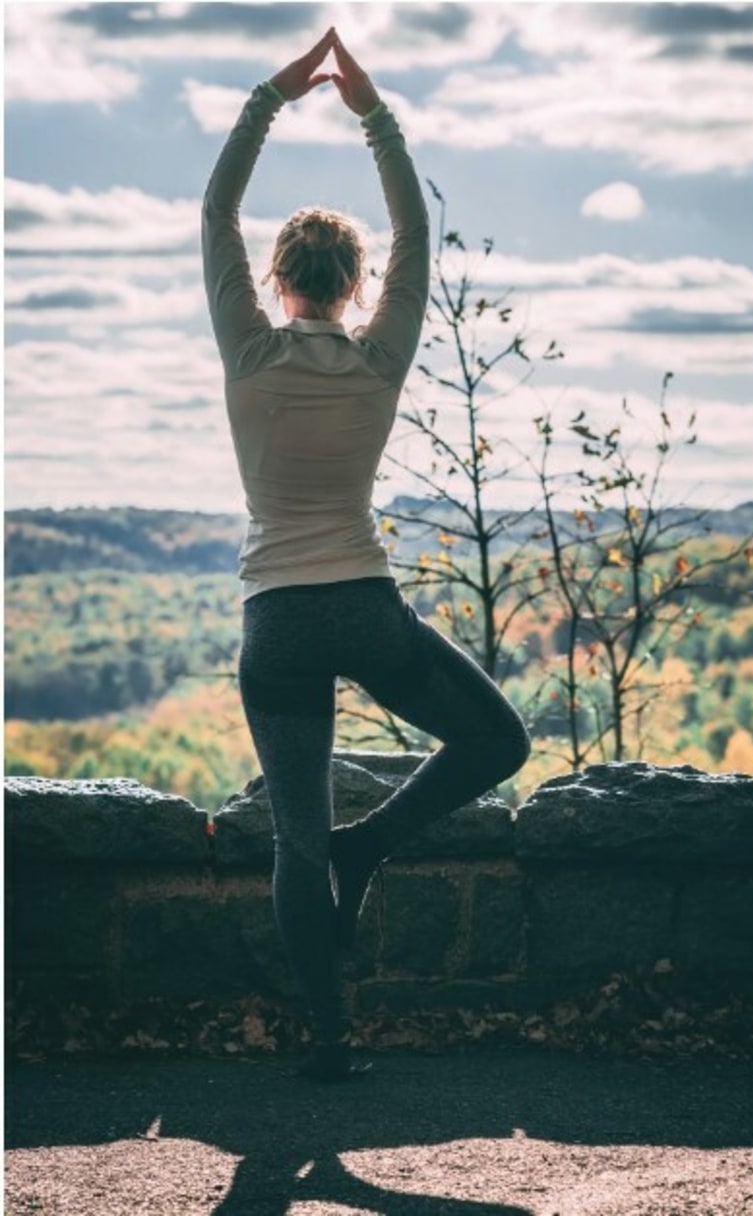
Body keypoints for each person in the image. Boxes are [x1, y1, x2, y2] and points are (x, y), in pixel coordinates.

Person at [202, 28, 530, 1081]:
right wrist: (372, 114)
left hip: (279, 622)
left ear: (275, 279)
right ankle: (376, 839)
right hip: (365, 606)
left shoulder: (246, 350)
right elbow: (414, 229)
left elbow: (213, 212)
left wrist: (270, 96)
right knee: (496, 740)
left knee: (295, 839)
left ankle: (330, 1040)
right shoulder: (380, 356)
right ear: (354, 283)